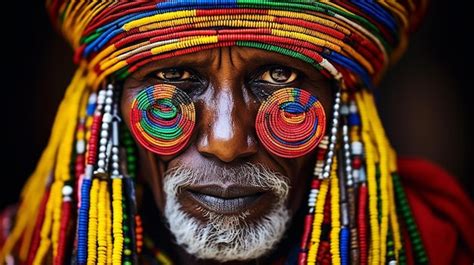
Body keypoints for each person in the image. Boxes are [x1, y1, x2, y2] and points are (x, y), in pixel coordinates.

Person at [1, 1, 473, 264]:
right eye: (177, 79)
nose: (226, 142)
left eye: (279, 78)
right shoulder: (16, 253)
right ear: (109, 107)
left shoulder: (441, 251)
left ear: (342, 102)